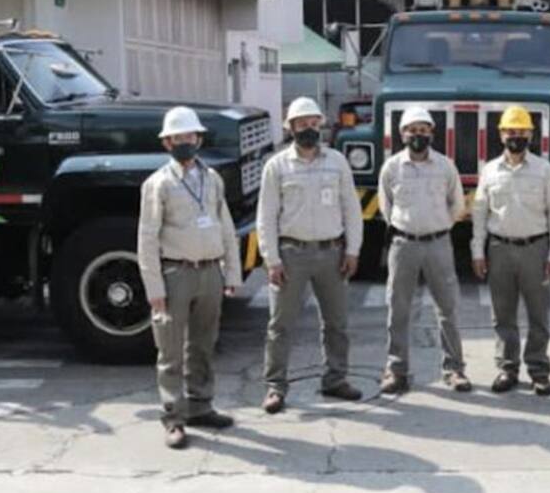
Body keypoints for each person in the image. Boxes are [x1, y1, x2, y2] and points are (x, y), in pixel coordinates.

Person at [137, 105, 242, 449]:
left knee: (203, 344)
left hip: (209, 270)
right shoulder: (158, 184)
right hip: (175, 273)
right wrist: (154, 288)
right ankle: (173, 416)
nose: (184, 142)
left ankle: (201, 405)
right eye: (177, 138)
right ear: (167, 143)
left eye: (189, 137)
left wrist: (232, 272)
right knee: (170, 349)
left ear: (199, 139)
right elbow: (147, 238)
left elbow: (225, 226)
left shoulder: (211, 179)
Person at [257, 96, 363, 414]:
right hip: (292, 255)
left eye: (313, 122)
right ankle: (275, 387)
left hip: (332, 253)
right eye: (301, 123)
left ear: (321, 125)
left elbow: (351, 210)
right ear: (290, 128)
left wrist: (353, 250)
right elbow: (266, 216)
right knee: (280, 325)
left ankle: (335, 379)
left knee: (336, 323)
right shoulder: (277, 166)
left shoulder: (337, 162)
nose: (308, 128)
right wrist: (271, 258)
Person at [471, 105, 550, 396]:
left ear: (531, 134)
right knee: (503, 315)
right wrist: (478, 250)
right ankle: (507, 368)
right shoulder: (489, 170)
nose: (516, 136)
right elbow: (479, 213)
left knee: (539, 314)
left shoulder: (544, 170)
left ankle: (539, 370)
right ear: (501, 135)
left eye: (521, 131)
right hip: (500, 249)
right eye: (510, 131)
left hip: (535, 250)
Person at [378, 106, 471, 395]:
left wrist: (437, 225)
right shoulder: (392, 168)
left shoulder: (445, 166)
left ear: (432, 133)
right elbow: (386, 207)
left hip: (438, 244)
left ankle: (454, 370)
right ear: (402, 134)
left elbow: (457, 206)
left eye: (423, 130)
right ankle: (397, 370)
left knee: (448, 309)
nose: (417, 135)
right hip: (403, 245)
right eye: (412, 130)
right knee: (398, 309)